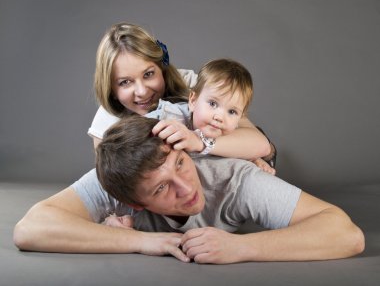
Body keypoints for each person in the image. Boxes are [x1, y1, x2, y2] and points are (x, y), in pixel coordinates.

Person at [13, 116, 364, 264]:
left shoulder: (235, 180)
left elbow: (346, 234)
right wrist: (144, 242)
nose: (186, 189)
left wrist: (241, 247)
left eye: (181, 163)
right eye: (163, 187)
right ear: (133, 201)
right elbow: (31, 228)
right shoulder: (117, 180)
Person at [88, 22, 275, 166]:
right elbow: (109, 186)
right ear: (110, 88)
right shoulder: (106, 124)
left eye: (148, 74)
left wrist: (201, 143)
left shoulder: (191, 84)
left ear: (162, 67)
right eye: (125, 82)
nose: (142, 91)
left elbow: (262, 145)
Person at [145, 58, 275, 173]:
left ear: (240, 117)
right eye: (213, 103)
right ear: (193, 101)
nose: (219, 117)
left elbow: (254, 147)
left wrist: (254, 158)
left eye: (232, 112)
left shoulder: (231, 133)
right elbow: (146, 127)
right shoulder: (174, 116)